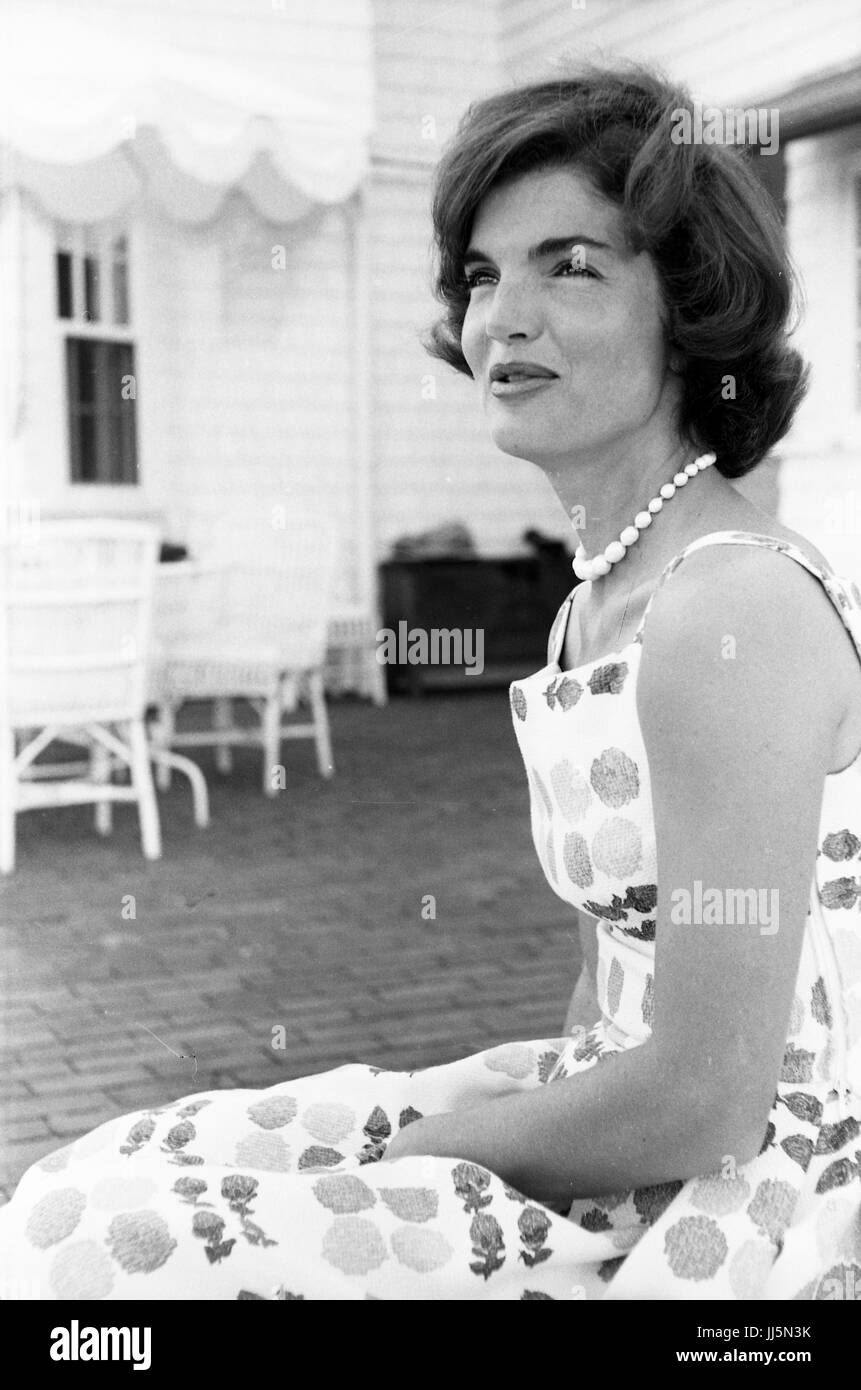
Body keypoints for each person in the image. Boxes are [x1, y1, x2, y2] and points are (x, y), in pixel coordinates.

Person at [1, 64, 859, 1301]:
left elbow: (713, 1091)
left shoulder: (732, 604)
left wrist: (439, 1149)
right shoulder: (595, 603)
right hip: (619, 1099)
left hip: (751, 1181)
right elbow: (608, 973)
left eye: (571, 265)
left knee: (97, 1262)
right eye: (480, 274)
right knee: (95, 1181)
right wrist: (472, 1113)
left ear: (689, 304)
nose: (503, 315)